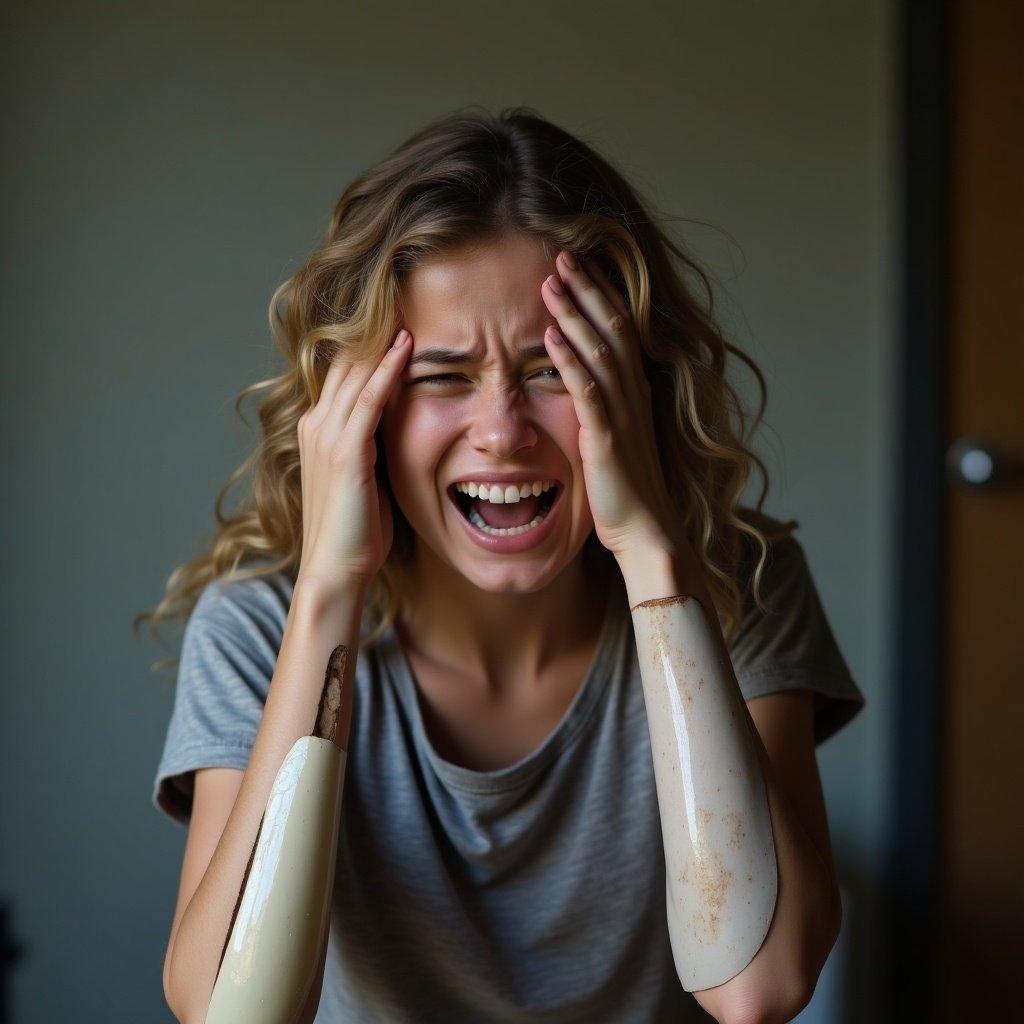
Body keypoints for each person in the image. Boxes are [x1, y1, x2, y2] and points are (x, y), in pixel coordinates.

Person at [140, 106, 866, 1023]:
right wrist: (327, 592)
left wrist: (653, 553)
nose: (501, 433)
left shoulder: (739, 586)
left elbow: (759, 986)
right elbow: (232, 1013)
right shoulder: (253, 632)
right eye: (440, 377)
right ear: (359, 413)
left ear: (637, 387)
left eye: (554, 369)